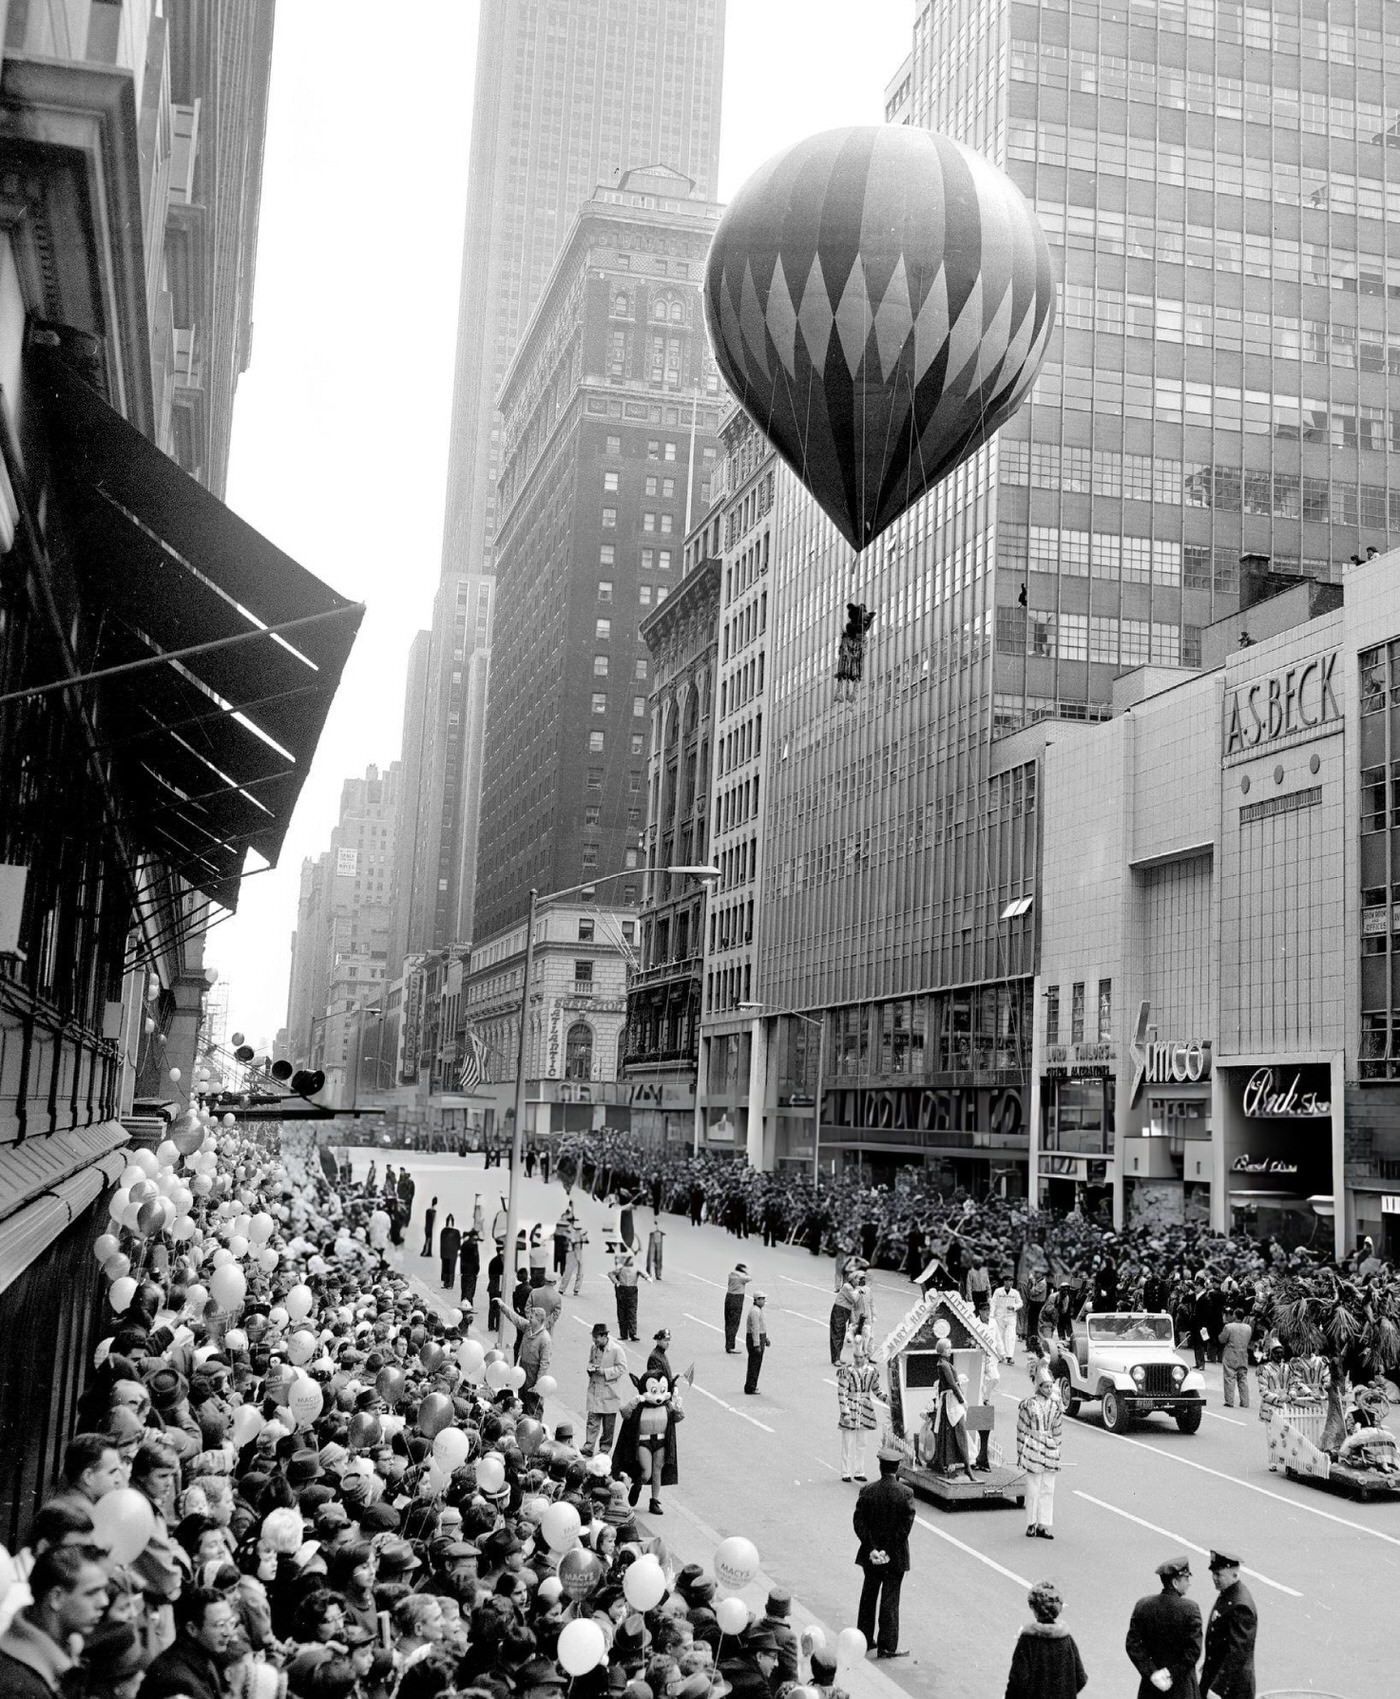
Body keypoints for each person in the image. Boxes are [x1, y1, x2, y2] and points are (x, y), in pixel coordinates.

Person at [0, 1547, 109, 1699]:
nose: (104, 1602)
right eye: (92, 1592)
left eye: (104, 1590)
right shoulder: (17, 1687)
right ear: (56, 1598)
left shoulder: (69, 1654)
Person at [852, 1446, 915, 1660]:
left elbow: (859, 1522)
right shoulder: (905, 1494)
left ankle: (864, 1639)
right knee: (890, 1599)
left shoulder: (868, 1491)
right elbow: (904, 1528)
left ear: (880, 1467)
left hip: (871, 1556)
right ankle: (887, 1646)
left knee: (868, 1596)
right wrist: (887, 1550)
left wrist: (872, 1549)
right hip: (894, 1556)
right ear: (896, 1468)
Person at [1125, 1556, 1203, 1699]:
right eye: (1186, 1579)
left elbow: (1133, 1645)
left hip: (1150, 1690)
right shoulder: (1190, 1609)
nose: (1189, 1584)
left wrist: (1152, 1673)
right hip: (1181, 1689)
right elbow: (1193, 1651)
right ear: (1175, 1582)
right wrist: (1170, 1673)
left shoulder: (1143, 1606)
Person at [141, 1586, 239, 1699]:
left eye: (231, 1623)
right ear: (192, 1629)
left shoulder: (203, 1656)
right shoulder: (177, 1682)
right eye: (220, 1625)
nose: (228, 1633)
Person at [1003, 1579, 1087, 1699]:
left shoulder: (1028, 1640)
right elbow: (1080, 1678)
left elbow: (1017, 1681)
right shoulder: (1066, 1638)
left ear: (1034, 1609)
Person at [1200, 1551, 1257, 1699]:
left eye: (1219, 1574)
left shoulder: (1240, 1606)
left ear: (1234, 1574)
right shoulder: (1229, 1594)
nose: (1214, 1578)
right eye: (1213, 1574)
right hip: (1217, 1677)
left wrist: (1218, 1689)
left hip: (1231, 1689)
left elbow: (1237, 1654)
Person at [1016, 1369, 1063, 1541]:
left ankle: (1043, 1525)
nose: (1049, 1389)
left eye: (1051, 1386)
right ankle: (1031, 1524)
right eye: (1046, 1386)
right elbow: (1021, 1429)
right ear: (1039, 1387)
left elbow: (1057, 1431)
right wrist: (1020, 1452)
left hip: (1049, 1448)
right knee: (1033, 1488)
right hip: (1033, 1447)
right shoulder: (1028, 1405)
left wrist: (1057, 1450)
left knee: (1048, 1489)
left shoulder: (1056, 1406)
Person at [835, 1334, 884, 1482]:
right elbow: (841, 1392)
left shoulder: (872, 1372)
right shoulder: (846, 1371)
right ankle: (845, 1472)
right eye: (856, 1356)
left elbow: (877, 1390)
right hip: (851, 1406)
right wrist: (845, 1412)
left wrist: (890, 1400)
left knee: (862, 1443)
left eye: (860, 1357)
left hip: (865, 1408)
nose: (857, 1359)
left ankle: (859, 1471)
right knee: (848, 1443)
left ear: (865, 1357)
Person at [584, 1321, 629, 1456]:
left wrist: (605, 1372)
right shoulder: (594, 1348)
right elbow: (591, 1361)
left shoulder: (616, 1349)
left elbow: (622, 1368)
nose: (595, 1340)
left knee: (608, 1425)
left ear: (604, 1336)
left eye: (597, 1337)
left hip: (609, 1390)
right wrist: (591, 1368)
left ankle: (604, 1448)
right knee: (592, 1420)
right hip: (595, 1387)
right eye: (594, 1337)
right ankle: (589, 1446)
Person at [1218, 1311, 1252, 1410]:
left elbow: (1222, 1339)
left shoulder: (1229, 1327)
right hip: (1243, 1355)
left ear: (1235, 1316)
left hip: (1231, 1354)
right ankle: (1245, 1402)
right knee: (1243, 1378)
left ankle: (1229, 1401)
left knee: (1229, 1377)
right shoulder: (1248, 1328)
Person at [608, 1250, 644, 1342]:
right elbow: (612, 1274)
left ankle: (632, 1333)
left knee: (631, 1311)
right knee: (623, 1312)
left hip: (629, 1288)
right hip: (622, 1288)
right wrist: (616, 1282)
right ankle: (625, 1334)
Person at [992, 1273, 1024, 1363]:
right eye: (1008, 1281)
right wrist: (991, 1315)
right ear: (1004, 1282)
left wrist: (1014, 1307)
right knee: (999, 1336)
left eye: (1011, 1281)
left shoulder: (1015, 1293)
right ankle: (1001, 1355)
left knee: (1010, 1336)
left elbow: (1020, 1303)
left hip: (1011, 1316)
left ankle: (1009, 1357)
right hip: (999, 1316)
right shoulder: (998, 1291)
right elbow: (993, 1303)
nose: (1010, 1283)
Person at [744, 1293, 769, 1394]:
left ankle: (752, 1385)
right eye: (762, 1299)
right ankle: (750, 1387)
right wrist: (757, 1344)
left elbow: (761, 1326)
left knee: (756, 1364)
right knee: (754, 1364)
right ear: (756, 1300)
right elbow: (755, 1328)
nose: (763, 1301)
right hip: (755, 1339)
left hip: (760, 1337)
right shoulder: (755, 1311)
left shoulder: (759, 1310)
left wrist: (765, 1338)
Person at [724, 1265, 751, 1354]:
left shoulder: (731, 1275)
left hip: (729, 1297)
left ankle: (728, 1345)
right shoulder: (741, 1278)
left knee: (728, 1322)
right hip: (737, 1299)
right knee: (734, 1323)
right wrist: (745, 1272)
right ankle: (731, 1346)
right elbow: (749, 1278)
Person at [564, 1219, 588, 1296]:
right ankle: (563, 1289)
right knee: (569, 1271)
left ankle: (576, 1289)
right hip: (573, 1251)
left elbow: (586, 1240)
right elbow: (571, 1240)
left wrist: (583, 1236)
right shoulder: (570, 1231)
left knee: (580, 1271)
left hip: (578, 1251)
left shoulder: (580, 1231)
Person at [438, 1214, 461, 1290]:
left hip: (452, 1253)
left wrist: (458, 1251)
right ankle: (446, 1283)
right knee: (445, 1268)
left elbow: (458, 1243)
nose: (450, 1223)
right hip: (445, 1253)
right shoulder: (444, 1231)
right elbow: (441, 1243)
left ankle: (450, 1284)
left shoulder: (456, 1232)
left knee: (451, 1268)